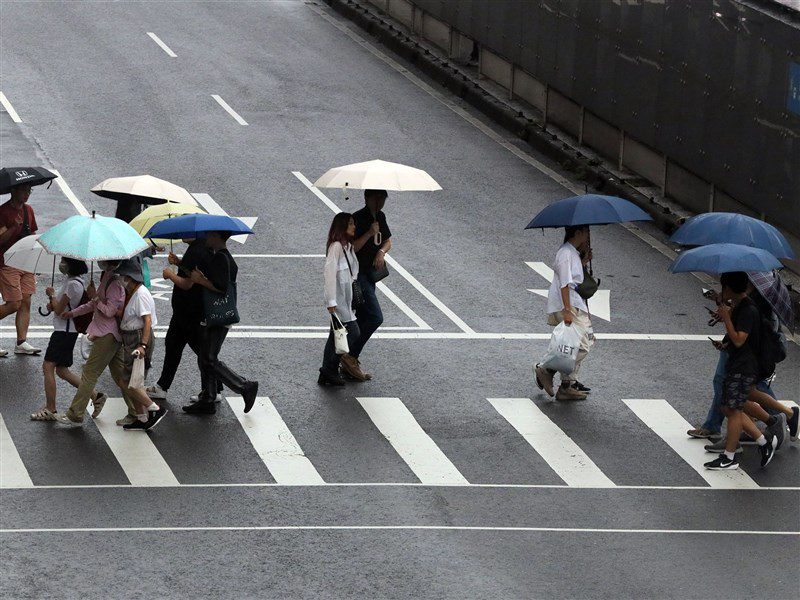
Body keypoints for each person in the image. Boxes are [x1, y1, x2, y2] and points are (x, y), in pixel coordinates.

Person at [704, 272, 778, 470]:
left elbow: (739, 339)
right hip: (738, 363)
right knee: (728, 408)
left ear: (729, 288)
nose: (722, 292)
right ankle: (763, 443)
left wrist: (727, 317)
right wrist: (725, 344)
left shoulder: (748, 310)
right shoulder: (740, 307)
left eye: (723, 288)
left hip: (745, 367)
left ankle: (729, 457)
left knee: (733, 410)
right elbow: (734, 341)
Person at [183, 231, 258, 415]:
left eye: (209, 236)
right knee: (205, 357)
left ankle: (244, 386)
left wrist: (201, 280)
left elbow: (221, 287)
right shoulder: (223, 258)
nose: (206, 238)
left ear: (217, 237)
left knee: (208, 358)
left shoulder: (221, 259)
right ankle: (208, 398)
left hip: (218, 315)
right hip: (217, 315)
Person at [55, 260, 134, 426]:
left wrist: (95, 297)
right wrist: (73, 313)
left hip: (107, 334)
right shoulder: (107, 277)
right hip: (109, 334)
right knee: (120, 376)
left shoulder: (114, 283)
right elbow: (94, 305)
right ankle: (136, 411)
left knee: (90, 374)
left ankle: (75, 413)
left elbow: (110, 311)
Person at [145, 238, 223, 402]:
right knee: (177, 345)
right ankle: (212, 387)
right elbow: (193, 274)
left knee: (201, 352)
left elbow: (187, 283)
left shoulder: (196, 251)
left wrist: (170, 274)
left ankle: (217, 387)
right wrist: (180, 263)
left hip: (188, 312)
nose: (182, 235)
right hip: (188, 311)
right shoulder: (201, 247)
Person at [31, 258, 107, 421]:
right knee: (62, 370)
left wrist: (51, 295)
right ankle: (95, 395)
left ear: (71, 265)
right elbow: (62, 306)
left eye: (64, 261)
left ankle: (50, 408)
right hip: (66, 331)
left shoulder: (73, 284)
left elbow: (59, 310)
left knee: (48, 366)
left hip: (64, 332)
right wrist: (53, 303)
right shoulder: (72, 281)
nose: (61, 264)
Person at [534, 225, 594, 401]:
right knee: (581, 346)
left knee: (580, 343)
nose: (588, 237)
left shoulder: (572, 253)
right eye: (586, 233)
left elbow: (573, 278)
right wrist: (567, 310)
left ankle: (566, 385)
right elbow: (565, 284)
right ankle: (546, 369)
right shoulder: (566, 254)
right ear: (578, 233)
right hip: (569, 305)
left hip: (576, 304)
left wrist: (584, 260)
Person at [115, 259, 167, 431]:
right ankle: (142, 418)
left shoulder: (141, 294)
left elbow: (147, 321)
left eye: (123, 276)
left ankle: (154, 408)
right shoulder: (132, 292)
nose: (121, 279)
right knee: (134, 380)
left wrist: (142, 346)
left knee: (127, 381)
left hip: (138, 339)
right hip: (131, 337)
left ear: (129, 277)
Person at [348, 189, 393, 379]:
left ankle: (343, 360)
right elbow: (352, 247)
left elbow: (388, 240)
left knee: (360, 318)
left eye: (382, 198)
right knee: (375, 317)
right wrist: (369, 233)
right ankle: (349, 357)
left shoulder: (380, 217)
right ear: (366, 198)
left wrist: (381, 252)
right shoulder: (357, 218)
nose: (379, 202)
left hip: (370, 276)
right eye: (376, 198)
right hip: (357, 276)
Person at [319, 213, 366, 386]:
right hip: (338, 302)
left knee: (335, 335)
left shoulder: (348, 247)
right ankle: (329, 369)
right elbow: (329, 274)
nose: (354, 227)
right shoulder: (336, 247)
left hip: (346, 300)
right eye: (351, 224)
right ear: (342, 226)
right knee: (352, 332)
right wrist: (331, 302)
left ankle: (327, 372)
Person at [0, 182, 41, 356]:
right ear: (14, 190)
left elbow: (32, 234)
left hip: (26, 261)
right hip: (8, 262)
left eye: (29, 191)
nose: (27, 194)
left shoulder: (28, 210)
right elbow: (1, 240)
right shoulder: (2, 212)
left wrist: (37, 256)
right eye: (24, 190)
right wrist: (13, 227)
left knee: (26, 301)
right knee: (13, 303)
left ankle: (21, 342)